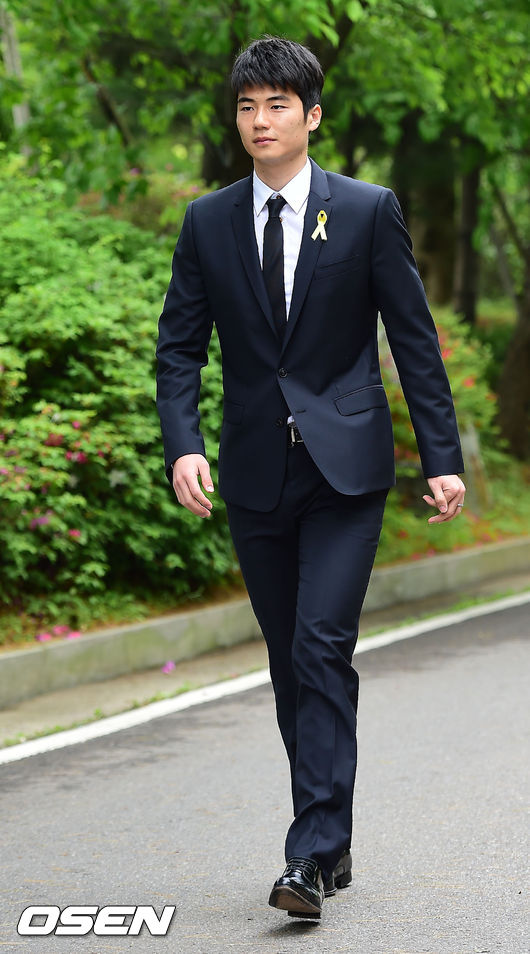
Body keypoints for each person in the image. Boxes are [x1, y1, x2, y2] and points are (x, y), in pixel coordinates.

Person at [156, 35, 465, 920]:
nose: (260, 120)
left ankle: (308, 855)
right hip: (255, 474)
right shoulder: (208, 221)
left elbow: (414, 340)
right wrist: (183, 443)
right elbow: (178, 349)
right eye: (247, 106)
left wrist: (441, 458)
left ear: (312, 115)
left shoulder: (366, 210)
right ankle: (330, 840)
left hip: (346, 472)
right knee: (291, 666)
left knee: (320, 647)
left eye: (278, 105)